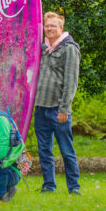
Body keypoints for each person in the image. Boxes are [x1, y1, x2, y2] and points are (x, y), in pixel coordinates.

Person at [34, 12, 81, 195]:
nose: (49, 29)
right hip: (41, 108)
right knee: (44, 150)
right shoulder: (43, 48)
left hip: (58, 110)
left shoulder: (69, 48)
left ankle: (74, 187)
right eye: (47, 26)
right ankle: (49, 185)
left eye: (53, 26)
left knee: (66, 149)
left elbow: (71, 82)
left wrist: (64, 109)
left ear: (61, 28)